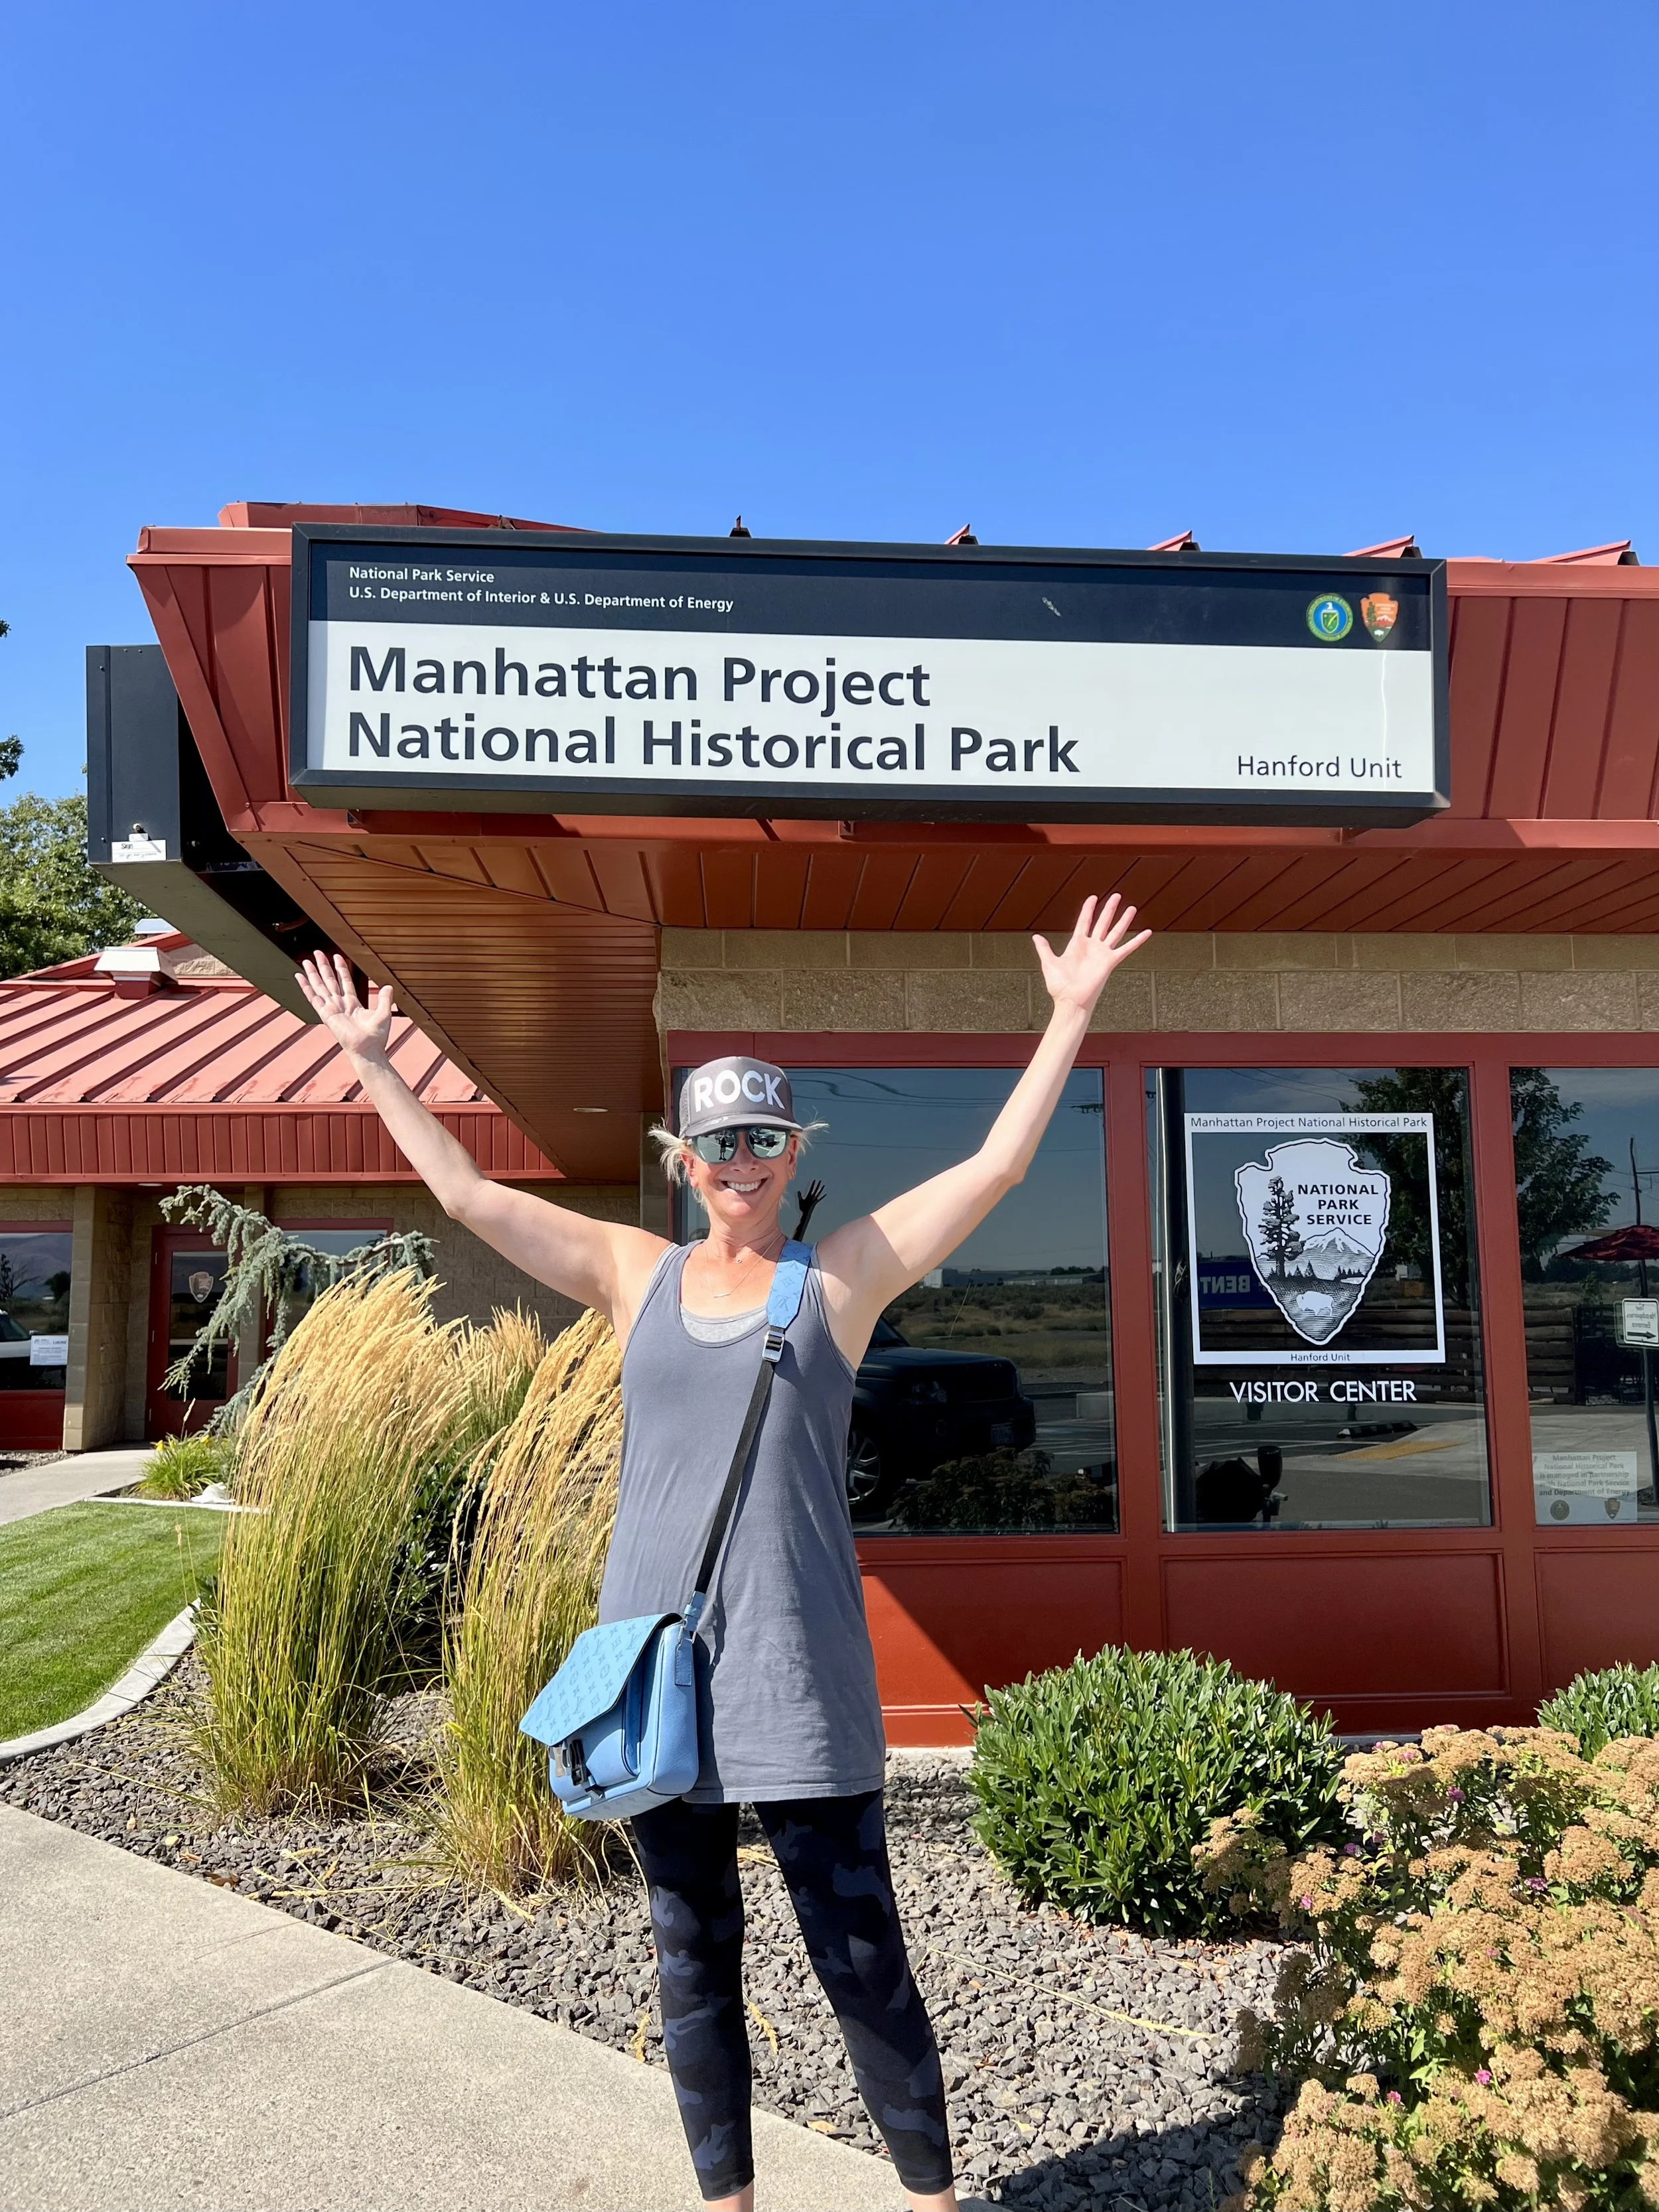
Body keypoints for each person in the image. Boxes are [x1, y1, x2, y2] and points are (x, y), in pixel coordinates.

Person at [296, 891, 1150, 2212]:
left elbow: (992, 1171)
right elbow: (466, 1192)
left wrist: (1070, 1014)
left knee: (857, 1949)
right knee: (690, 1952)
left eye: (761, 1136)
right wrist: (371, 1060)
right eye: (716, 1142)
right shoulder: (631, 1272)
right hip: (655, 1668)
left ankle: (929, 2194)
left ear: (788, 1145)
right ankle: (725, 2200)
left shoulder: (842, 1279)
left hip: (797, 1669)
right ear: (680, 1157)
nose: (740, 1159)